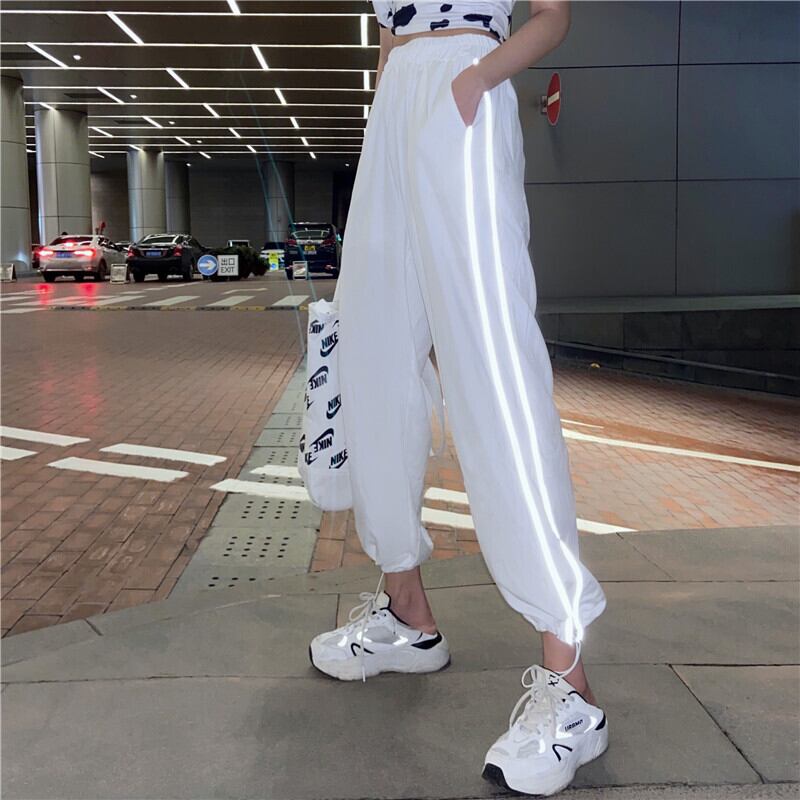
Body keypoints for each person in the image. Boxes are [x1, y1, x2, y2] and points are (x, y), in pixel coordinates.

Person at [309, 1, 609, 794]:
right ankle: (408, 614)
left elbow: (552, 16)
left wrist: (478, 78)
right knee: (370, 350)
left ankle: (571, 686)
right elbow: (389, 34)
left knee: (492, 368)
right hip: (395, 107)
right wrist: (387, 109)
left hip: (464, 87)